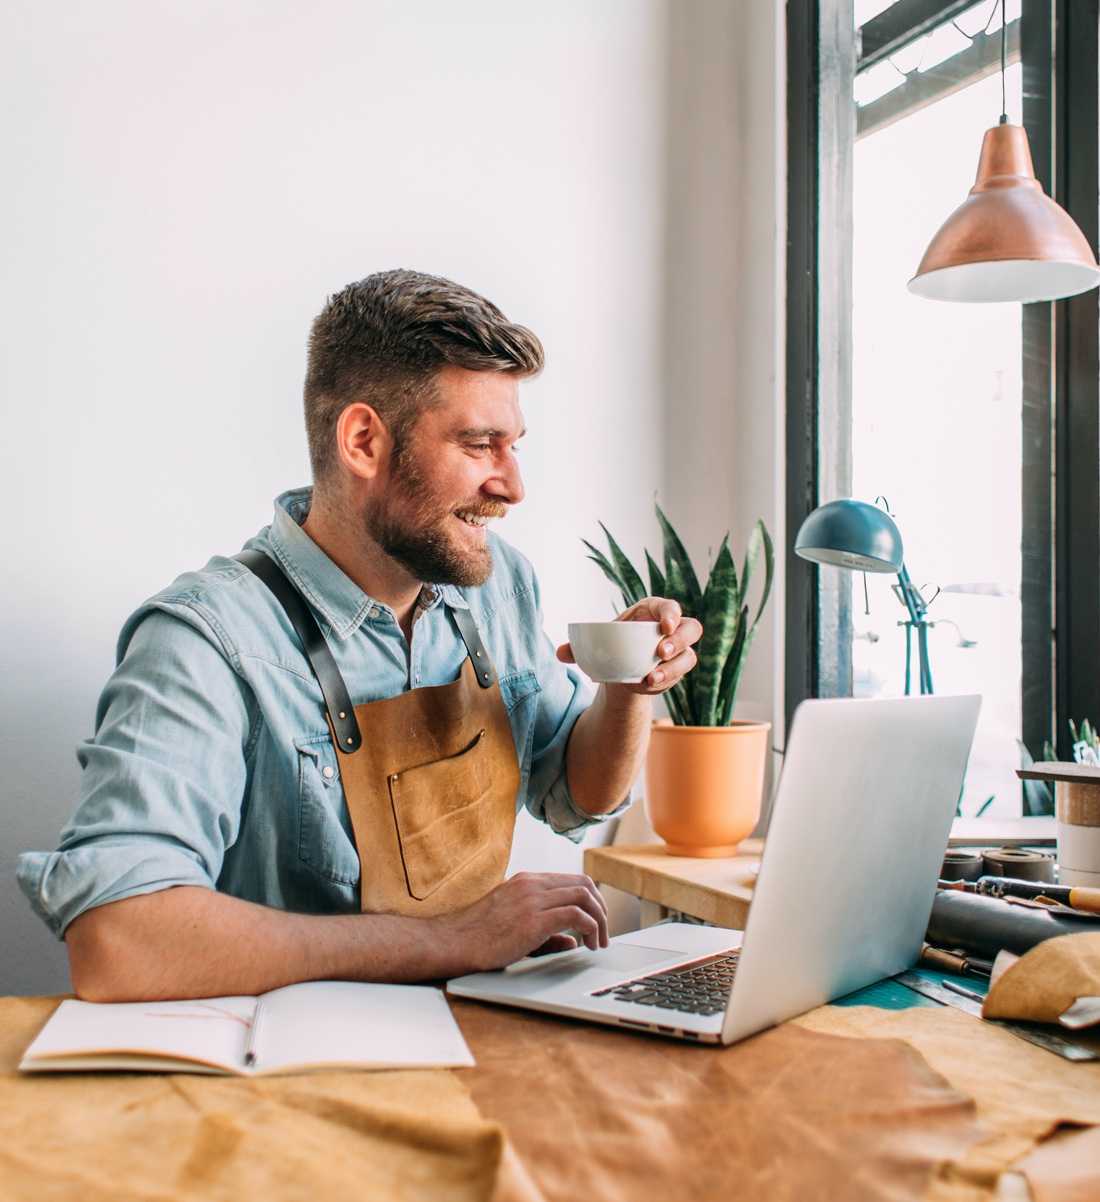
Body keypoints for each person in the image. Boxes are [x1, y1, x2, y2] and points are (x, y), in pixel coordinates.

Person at [18, 269, 702, 1002]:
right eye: (480, 445)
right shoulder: (205, 641)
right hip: (284, 1084)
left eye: (514, 446)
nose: (513, 485)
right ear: (364, 441)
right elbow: (118, 942)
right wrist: (452, 941)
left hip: (477, 1044)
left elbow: (574, 791)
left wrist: (629, 687)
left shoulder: (498, 583)